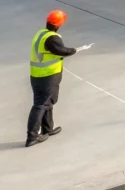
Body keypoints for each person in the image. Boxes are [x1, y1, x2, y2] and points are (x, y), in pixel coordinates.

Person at [26, 9, 92, 147]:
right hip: (48, 75)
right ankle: (32, 137)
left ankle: (47, 128)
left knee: (47, 101)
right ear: (59, 25)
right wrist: (74, 50)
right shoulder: (52, 38)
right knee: (41, 104)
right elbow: (61, 51)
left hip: (37, 75)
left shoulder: (41, 33)